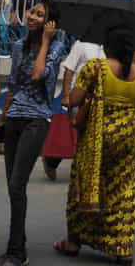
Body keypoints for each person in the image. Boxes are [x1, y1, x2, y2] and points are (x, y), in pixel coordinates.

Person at [53, 25, 135, 266]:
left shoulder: (95, 69)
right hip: (126, 141)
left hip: (95, 140)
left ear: (107, 47)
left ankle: (74, 241)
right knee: (122, 188)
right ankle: (122, 247)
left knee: (85, 184)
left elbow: (74, 99)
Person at [0, 0, 64, 266]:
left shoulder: (57, 47)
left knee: (17, 184)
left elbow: (38, 75)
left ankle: (17, 251)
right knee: (14, 187)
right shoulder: (16, 46)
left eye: (40, 14)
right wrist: (2, 118)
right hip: (14, 119)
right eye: (32, 12)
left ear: (50, 23)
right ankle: (18, 244)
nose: (32, 17)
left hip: (37, 120)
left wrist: (47, 41)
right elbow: (14, 84)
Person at [42, 39, 106, 181]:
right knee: (76, 133)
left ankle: (85, 170)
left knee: (92, 135)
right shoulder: (81, 44)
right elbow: (69, 69)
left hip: (98, 99)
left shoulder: (109, 47)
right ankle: (51, 161)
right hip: (78, 97)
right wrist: (65, 95)